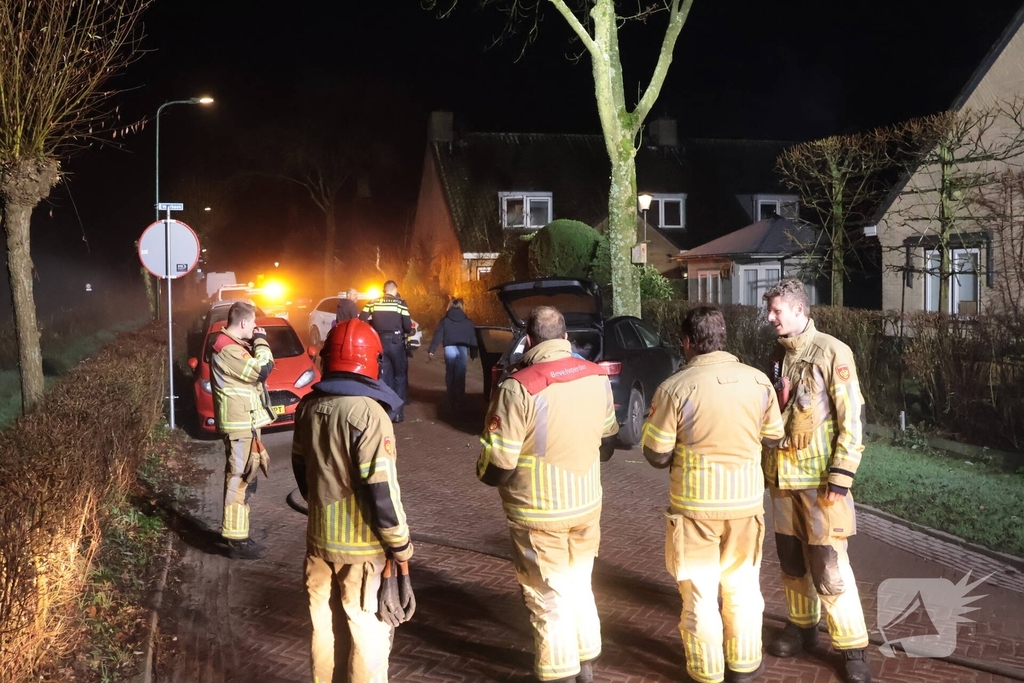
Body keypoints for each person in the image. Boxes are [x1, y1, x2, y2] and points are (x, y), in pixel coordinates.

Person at [641, 307, 785, 683]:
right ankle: (745, 666)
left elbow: (656, 454)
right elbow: (774, 438)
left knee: (700, 595)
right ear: (723, 338)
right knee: (743, 589)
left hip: (695, 507)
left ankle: (707, 672)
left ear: (688, 342)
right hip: (745, 505)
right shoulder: (758, 382)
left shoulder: (675, 388)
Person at [477, 306, 618, 683]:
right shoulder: (596, 376)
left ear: (529, 339)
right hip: (586, 505)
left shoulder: (517, 387)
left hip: (539, 513)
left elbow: (499, 465)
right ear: (566, 337)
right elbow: (608, 441)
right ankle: (585, 663)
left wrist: (485, 469)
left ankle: (560, 674)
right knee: (579, 583)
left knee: (547, 596)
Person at [291, 319, 415, 683]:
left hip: (318, 544)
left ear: (327, 358)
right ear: (373, 361)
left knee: (324, 632)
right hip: (362, 552)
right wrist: (401, 546)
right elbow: (381, 490)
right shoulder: (370, 414)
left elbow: (301, 471)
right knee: (369, 638)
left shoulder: (308, 407)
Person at [762, 279, 872, 683]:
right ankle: (802, 625)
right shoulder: (779, 354)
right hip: (782, 481)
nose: (770, 317)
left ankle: (853, 648)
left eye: (776, 310)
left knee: (828, 565)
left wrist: (841, 475)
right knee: (791, 560)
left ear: (798, 309)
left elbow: (852, 419)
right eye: (770, 310)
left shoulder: (832, 352)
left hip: (821, 485)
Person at [210, 301, 276, 560]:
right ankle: (236, 540)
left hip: (244, 423)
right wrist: (261, 341)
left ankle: (239, 533)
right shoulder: (228, 348)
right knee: (239, 480)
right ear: (245, 322)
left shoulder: (232, 346)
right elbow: (262, 370)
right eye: (254, 324)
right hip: (239, 426)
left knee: (246, 478)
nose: (255, 328)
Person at [360, 280, 412, 422]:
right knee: (399, 377)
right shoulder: (400, 304)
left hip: (379, 343)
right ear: (395, 290)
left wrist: (374, 327)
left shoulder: (373, 303)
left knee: (384, 377)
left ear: (384, 290)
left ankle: (384, 411)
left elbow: (361, 319)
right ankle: (397, 414)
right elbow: (407, 326)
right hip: (396, 343)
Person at [427, 297, 479, 413]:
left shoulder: (445, 320)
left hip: (449, 348)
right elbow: (473, 338)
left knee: (450, 373)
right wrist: (474, 354)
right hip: (462, 349)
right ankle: (460, 401)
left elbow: (438, 335)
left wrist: (432, 350)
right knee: (460, 375)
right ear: (461, 307)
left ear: (450, 306)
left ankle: (451, 399)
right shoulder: (468, 322)